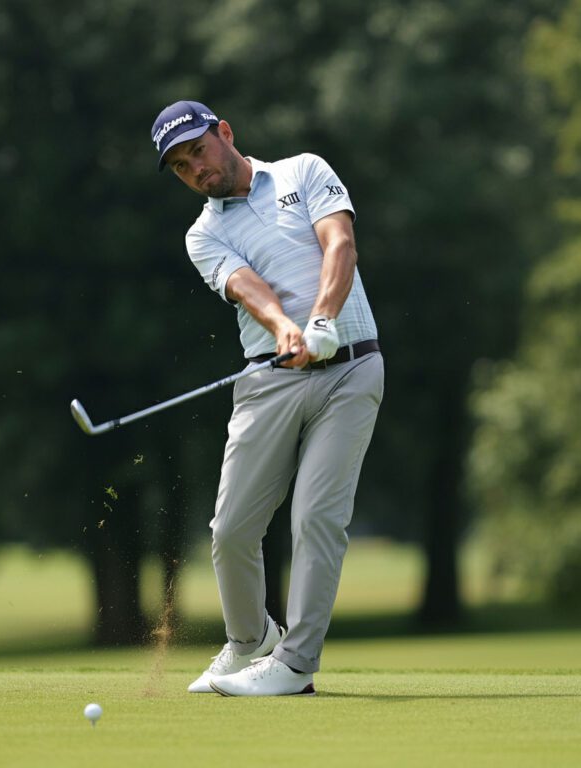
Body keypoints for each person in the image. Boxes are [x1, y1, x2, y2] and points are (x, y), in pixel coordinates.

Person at [151, 100, 384, 696]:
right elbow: (244, 285)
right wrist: (286, 327)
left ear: (224, 133)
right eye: (180, 167)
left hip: (349, 371)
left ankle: (296, 664)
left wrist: (324, 320)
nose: (195, 170)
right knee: (230, 528)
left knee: (316, 518)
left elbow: (340, 245)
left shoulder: (303, 171)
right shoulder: (202, 233)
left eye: (197, 150)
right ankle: (250, 642)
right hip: (270, 378)